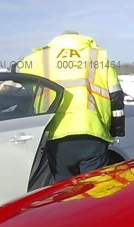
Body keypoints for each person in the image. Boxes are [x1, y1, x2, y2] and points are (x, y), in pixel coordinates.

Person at [17, 32, 125, 181]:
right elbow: (116, 96)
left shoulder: (41, 57)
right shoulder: (98, 56)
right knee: (95, 188)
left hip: (56, 133)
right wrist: (116, 130)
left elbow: (16, 74)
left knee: (65, 190)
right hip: (92, 131)